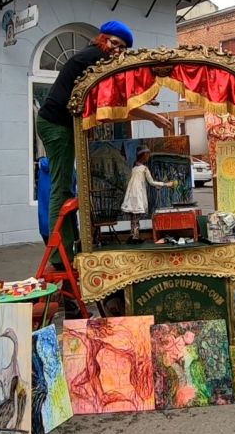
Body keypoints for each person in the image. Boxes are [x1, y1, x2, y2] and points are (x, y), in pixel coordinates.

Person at [35, 21, 171, 273]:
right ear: (103, 39)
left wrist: (146, 109)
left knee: (67, 188)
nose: (117, 50)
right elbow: (116, 106)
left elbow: (113, 106)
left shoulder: (97, 61)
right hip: (56, 125)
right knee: (61, 188)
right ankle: (59, 255)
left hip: (61, 125)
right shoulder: (95, 58)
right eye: (115, 44)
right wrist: (150, 115)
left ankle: (71, 244)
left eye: (122, 48)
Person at [121, 144, 176, 244]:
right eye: (147, 155)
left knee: (134, 216)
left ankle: (133, 235)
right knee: (136, 216)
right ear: (142, 155)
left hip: (132, 193)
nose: (148, 157)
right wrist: (166, 184)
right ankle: (135, 236)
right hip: (137, 194)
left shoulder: (134, 168)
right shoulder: (144, 169)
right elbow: (151, 182)